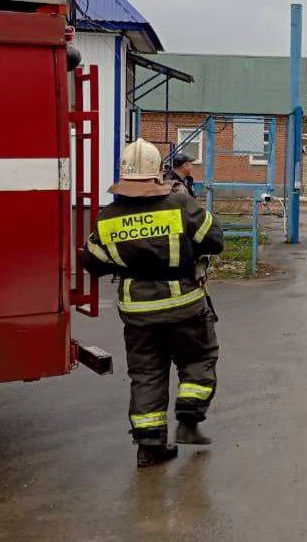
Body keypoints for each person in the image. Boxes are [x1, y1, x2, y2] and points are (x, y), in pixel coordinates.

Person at [81, 139, 224, 468]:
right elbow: (214, 240)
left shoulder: (108, 218)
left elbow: (93, 261)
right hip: (185, 305)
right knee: (198, 358)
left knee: (146, 374)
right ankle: (188, 419)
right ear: (156, 173)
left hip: (137, 314)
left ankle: (149, 447)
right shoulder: (180, 205)